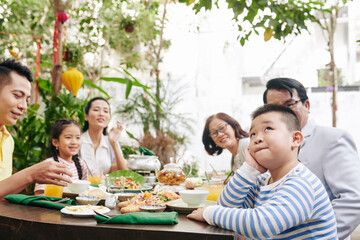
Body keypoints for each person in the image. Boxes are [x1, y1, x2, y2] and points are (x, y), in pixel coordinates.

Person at [188, 104, 337, 239]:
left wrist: (209, 212)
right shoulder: (262, 180)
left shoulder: (302, 183)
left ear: (295, 139)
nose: (257, 138)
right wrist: (249, 169)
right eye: (252, 134)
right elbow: (226, 206)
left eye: (268, 129)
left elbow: (262, 224)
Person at [263, 77, 360, 239]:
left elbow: (353, 200)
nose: (283, 113)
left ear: (306, 105)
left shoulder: (333, 139)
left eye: (289, 105)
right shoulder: (269, 144)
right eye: (274, 108)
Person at [0, 59, 72, 199]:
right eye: (17, 96)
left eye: (27, 100)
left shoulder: (8, 140)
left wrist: (35, 177)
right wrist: (30, 174)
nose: (23, 107)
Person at [34, 119, 89, 195]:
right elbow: (39, 194)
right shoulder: (49, 165)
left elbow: (85, 191)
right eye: (68, 137)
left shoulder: (81, 164)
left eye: (78, 138)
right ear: (55, 142)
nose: (74, 142)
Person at [80, 97, 128, 175]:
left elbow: (124, 173)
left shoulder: (111, 142)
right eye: (96, 110)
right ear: (86, 116)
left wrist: (114, 143)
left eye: (105, 111)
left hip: (104, 187)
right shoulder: (77, 141)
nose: (101, 114)